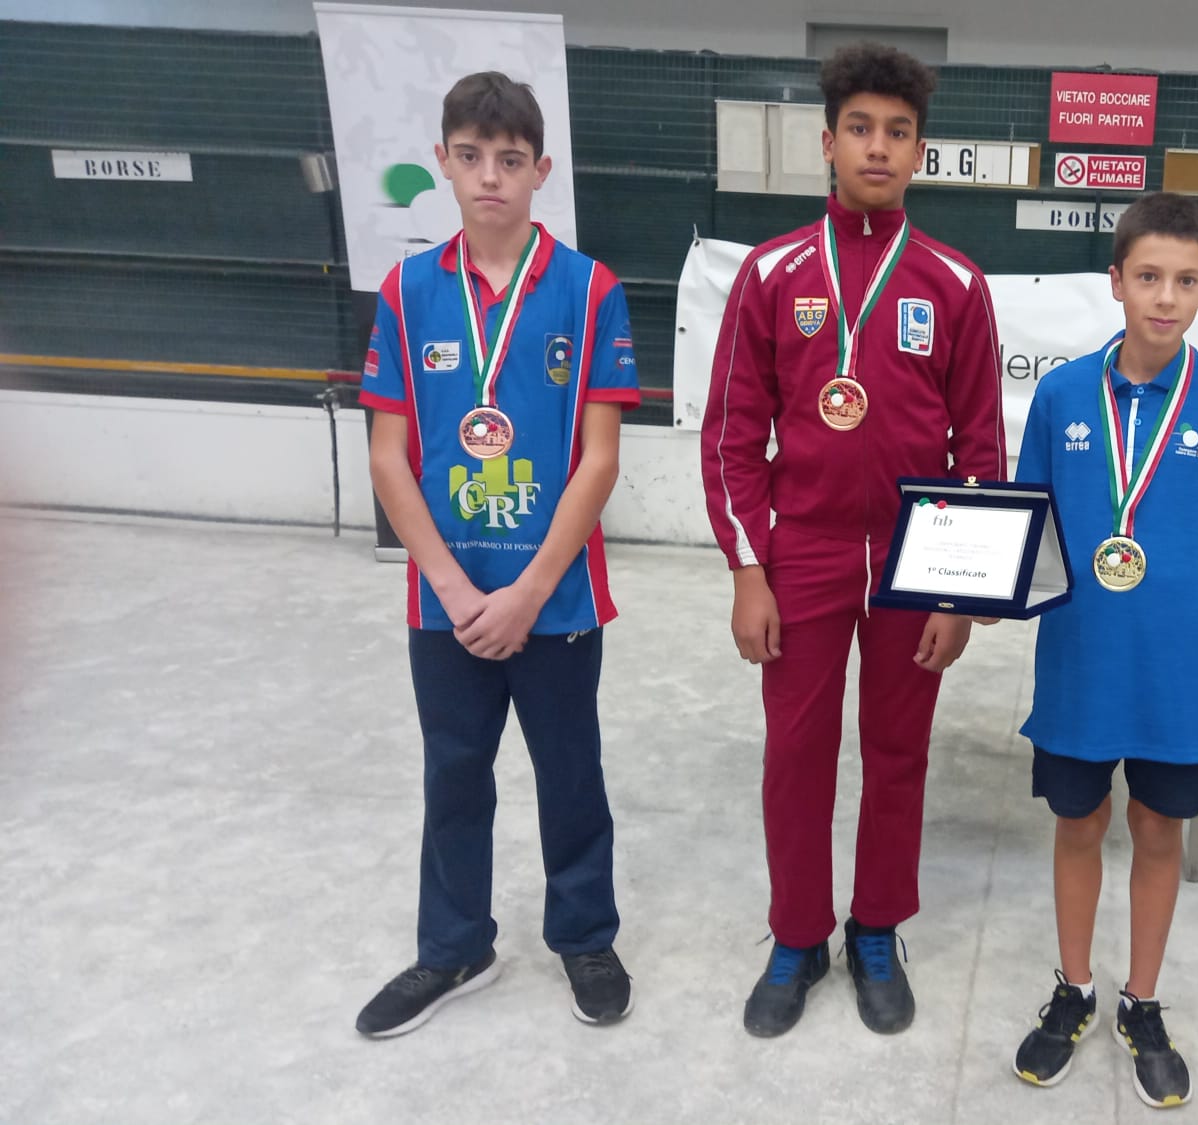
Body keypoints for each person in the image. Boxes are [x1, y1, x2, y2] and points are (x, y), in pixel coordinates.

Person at [699, 42, 1005, 1039]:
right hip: (805, 553)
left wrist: (959, 589)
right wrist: (750, 568)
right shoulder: (771, 271)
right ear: (826, 142)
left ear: (920, 148)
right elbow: (733, 436)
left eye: (899, 131)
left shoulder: (953, 282)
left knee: (897, 750)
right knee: (795, 751)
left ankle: (876, 926)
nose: (878, 147)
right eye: (860, 129)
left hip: (917, 555)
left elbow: (979, 449)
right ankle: (797, 935)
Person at [354, 71, 641, 1037]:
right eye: (470, 157)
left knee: (571, 776)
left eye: (509, 161)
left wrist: (526, 589)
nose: (489, 178)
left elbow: (599, 460)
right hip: (444, 599)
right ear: (442, 161)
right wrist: (449, 580)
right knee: (454, 772)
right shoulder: (404, 290)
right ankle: (453, 947)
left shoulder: (589, 289)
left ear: (540, 171)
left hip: (554, 599)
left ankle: (585, 934)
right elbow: (389, 458)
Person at [1008, 193, 1198, 1108]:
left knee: (1159, 830)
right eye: (1150, 277)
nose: (1166, 298)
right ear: (1116, 281)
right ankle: (1074, 986)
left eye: (1187, 280)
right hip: (1082, 665)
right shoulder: (1058, 394)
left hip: (1178, 676)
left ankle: (1143, 999)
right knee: (1078, 823)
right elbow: (1031, 529)